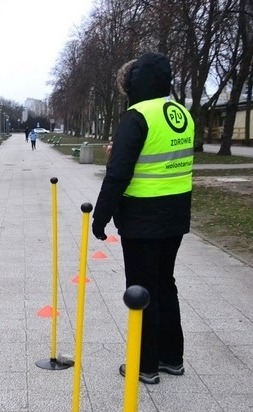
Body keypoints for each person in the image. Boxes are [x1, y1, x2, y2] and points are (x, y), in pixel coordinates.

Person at [91, 52, 194, 385]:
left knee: (141, 289)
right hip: (175, 215)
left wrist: (100, 216)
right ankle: (171, 357)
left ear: (134, 84)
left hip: (142, 219)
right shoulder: (181, 113)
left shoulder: (137, 116)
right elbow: (161, 158)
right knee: (166, 284)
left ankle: (145, 365)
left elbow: (119, 173)